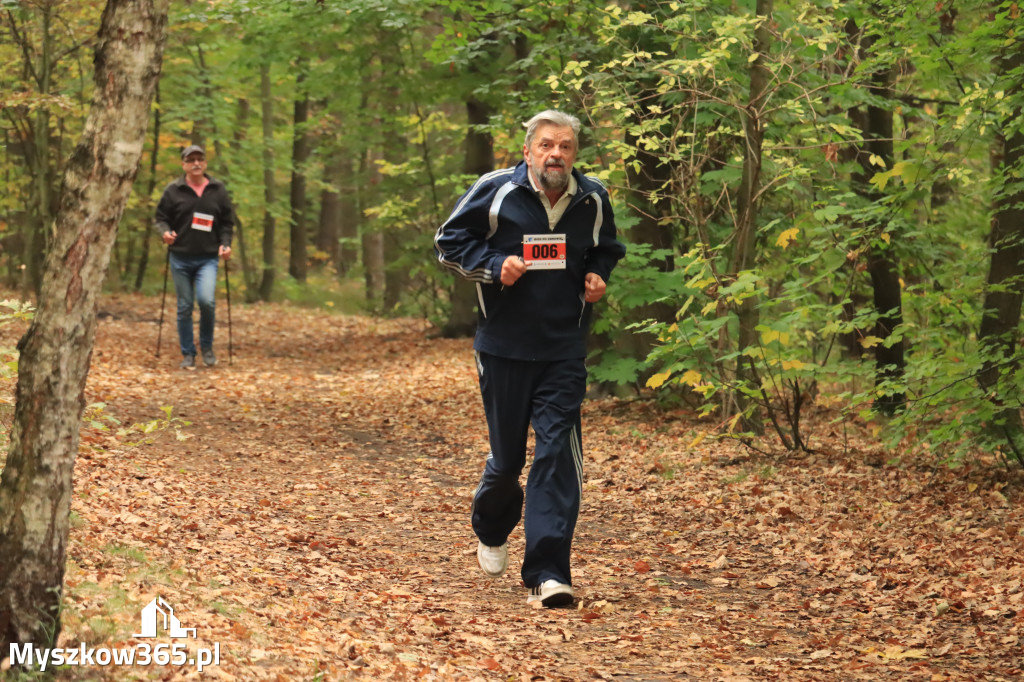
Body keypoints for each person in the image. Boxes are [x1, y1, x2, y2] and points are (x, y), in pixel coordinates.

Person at [434, 110, 626, 607]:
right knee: (507, 461)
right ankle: (492, 527)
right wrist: (496, 266)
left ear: (574, 154)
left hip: (563, 347)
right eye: (546, 145)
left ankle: (547, 573)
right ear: (528, 151)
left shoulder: (593, 197)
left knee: (556, 454)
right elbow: (448, 243)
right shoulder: (497, 190)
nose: (555, 154)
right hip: (503, 346)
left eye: (564, 146)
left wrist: (597, 276)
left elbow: (607, 249)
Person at [154, 144, 234, 369]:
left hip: (208, 257)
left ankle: (207, 348)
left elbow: (227, 222)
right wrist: (165, 233)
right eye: (191, 160)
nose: (196, 163)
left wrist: (226, 245)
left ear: (205, 163)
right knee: (185, 306)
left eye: (200, 159)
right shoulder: (173, 190)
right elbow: (160, 218)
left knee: (207, 302)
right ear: (184, 165)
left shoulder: (218, 189)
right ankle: (188, 353)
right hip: (180, 257)